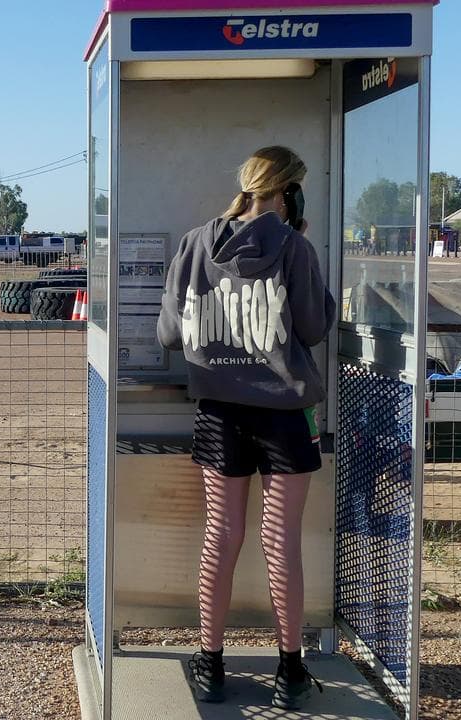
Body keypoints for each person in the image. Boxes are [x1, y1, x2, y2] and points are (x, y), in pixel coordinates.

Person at [156, 146, 336, 711]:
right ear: (287, 193)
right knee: (280, 541)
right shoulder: (295, 248)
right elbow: (314, 325)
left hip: (219, 413)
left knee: (221, 533)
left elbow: (169, 334)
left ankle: (209, 664)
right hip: (284, 415)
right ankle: (291, 671)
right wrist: (297, 248)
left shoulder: (193, 244)